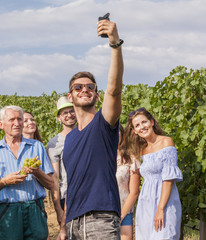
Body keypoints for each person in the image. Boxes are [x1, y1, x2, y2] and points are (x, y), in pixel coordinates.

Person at [58, 18, 124, 239]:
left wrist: (115, 44)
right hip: (73, 222)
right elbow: (72, 184)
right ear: (70, 96)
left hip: (101, 220)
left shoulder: (104, 123)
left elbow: (114, 90)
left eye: (90, 87)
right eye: (78, 87)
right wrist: (63, 225)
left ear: (96, 94)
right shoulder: (69, 139)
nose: (84, 90)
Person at [0, 105, 55, 240]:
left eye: (20, 119)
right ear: (1, 124)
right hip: (8, 211)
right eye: (12, 119)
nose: (17, 123)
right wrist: (4, 181)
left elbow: (51, 183)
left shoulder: (36, 146)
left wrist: (37, 172)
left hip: (34, 209)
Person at [123, 107, 182, 240]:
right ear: (135, 131)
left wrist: (160, 209)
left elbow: (168, 179)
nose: (142, 127)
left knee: (165, 236)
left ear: (152, 122)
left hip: (165, 202)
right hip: (146, 203)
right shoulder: (142, 150)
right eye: (137, 125)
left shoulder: (166, 142)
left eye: (144, 122)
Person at [46, 96, 77, 225]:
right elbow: (55, 178)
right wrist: (58, 210)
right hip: (68, 196)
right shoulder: (54, 144)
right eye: (65, 113)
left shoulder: (87, 134)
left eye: (72, 111)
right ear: (59, 117)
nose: (69, 115)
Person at [116, 124, 141, 240]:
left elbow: (134, 192)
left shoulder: (131, 159)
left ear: (122, 134)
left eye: (116, 131)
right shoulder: (98, 158)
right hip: (102, 213)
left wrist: (120, 216)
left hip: (124, 212)